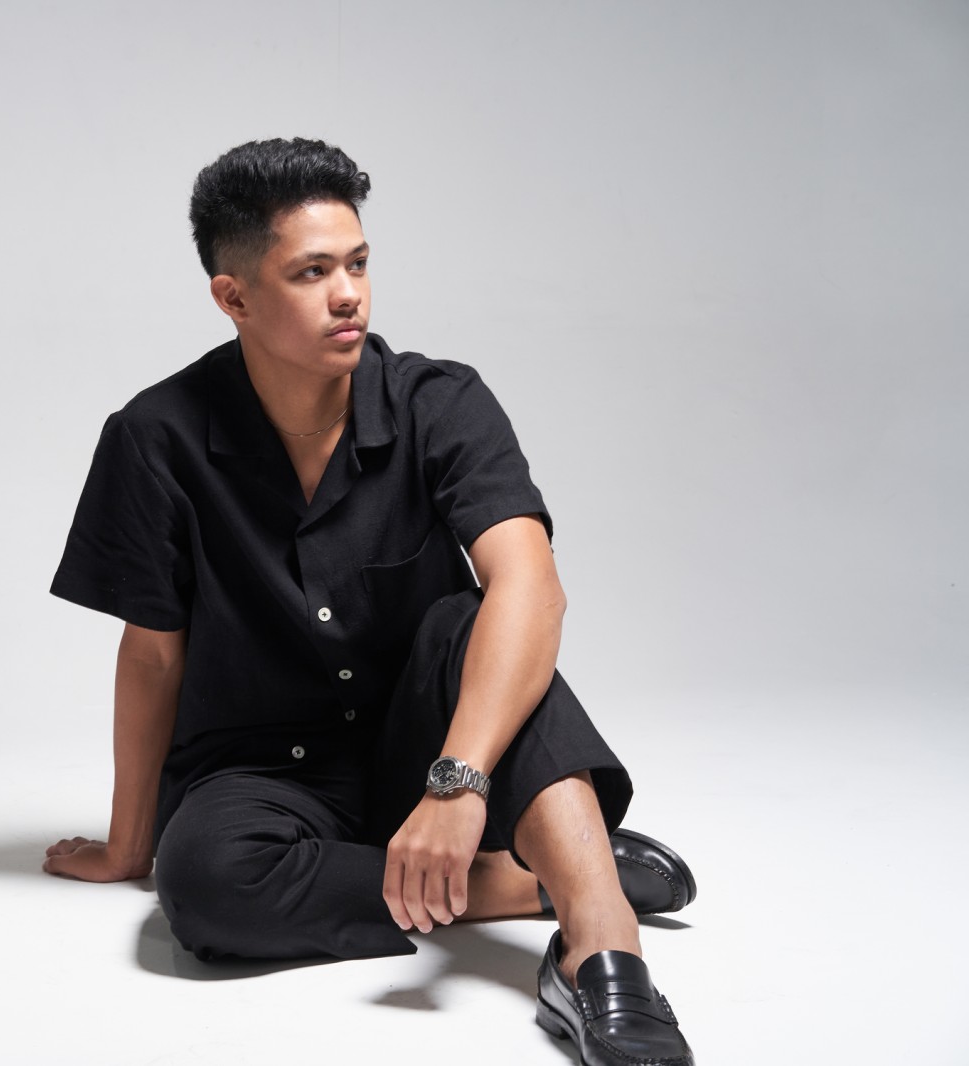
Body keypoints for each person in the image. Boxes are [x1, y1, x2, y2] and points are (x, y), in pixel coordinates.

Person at [43, 137, 696, 1066]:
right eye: (312, 272)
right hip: (261, 772)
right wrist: (126, 848)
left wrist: (457, 781)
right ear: (234, 297)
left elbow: (532, 587)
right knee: (203, 890)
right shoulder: (157, 436)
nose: (349, 293)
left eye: (357, 263)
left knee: (477, 624)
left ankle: (601, 945)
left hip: (432, 744)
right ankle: (528, 879)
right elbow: (152, 652)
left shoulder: (441, 401)